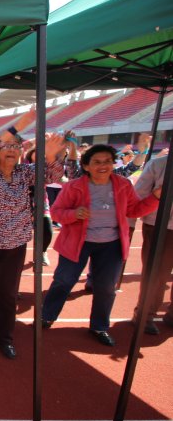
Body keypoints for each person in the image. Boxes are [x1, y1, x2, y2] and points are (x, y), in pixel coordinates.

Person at [0, 110, 67, 359]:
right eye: (5, 146)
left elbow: (54, 175)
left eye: (16, 146)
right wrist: (20, 124)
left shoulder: (25, 174)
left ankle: (4, 338)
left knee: (7, 294)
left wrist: (50, 155)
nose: (11, 149)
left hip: (14, 243)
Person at [42, 144, 160, 346]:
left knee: (106, 288)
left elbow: (134, 210)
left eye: (107, 161)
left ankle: (99, 326)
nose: (103, 165)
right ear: (86, 166)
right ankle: (47, 316)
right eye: (97, 162)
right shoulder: (74, 186)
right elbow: (57, 212)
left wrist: (156, 197)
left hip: (111, 245)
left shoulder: (123, 185)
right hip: (78, 243)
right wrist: (73, 214)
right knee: (64, 280)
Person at [131, 153, 173, 335]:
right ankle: (145, 315)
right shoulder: (158, 165)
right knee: (157, 273)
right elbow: (138, 195)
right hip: (160, 226)